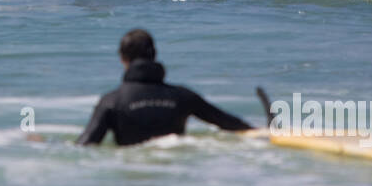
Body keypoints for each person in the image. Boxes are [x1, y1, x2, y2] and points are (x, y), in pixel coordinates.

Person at [76, 29, 254, 145]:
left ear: (123, 59)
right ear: (154, 55)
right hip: (173, 176)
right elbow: (228, 123)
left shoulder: (112, 101)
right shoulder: (183, 97)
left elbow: (85, 145)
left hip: (130, 173)